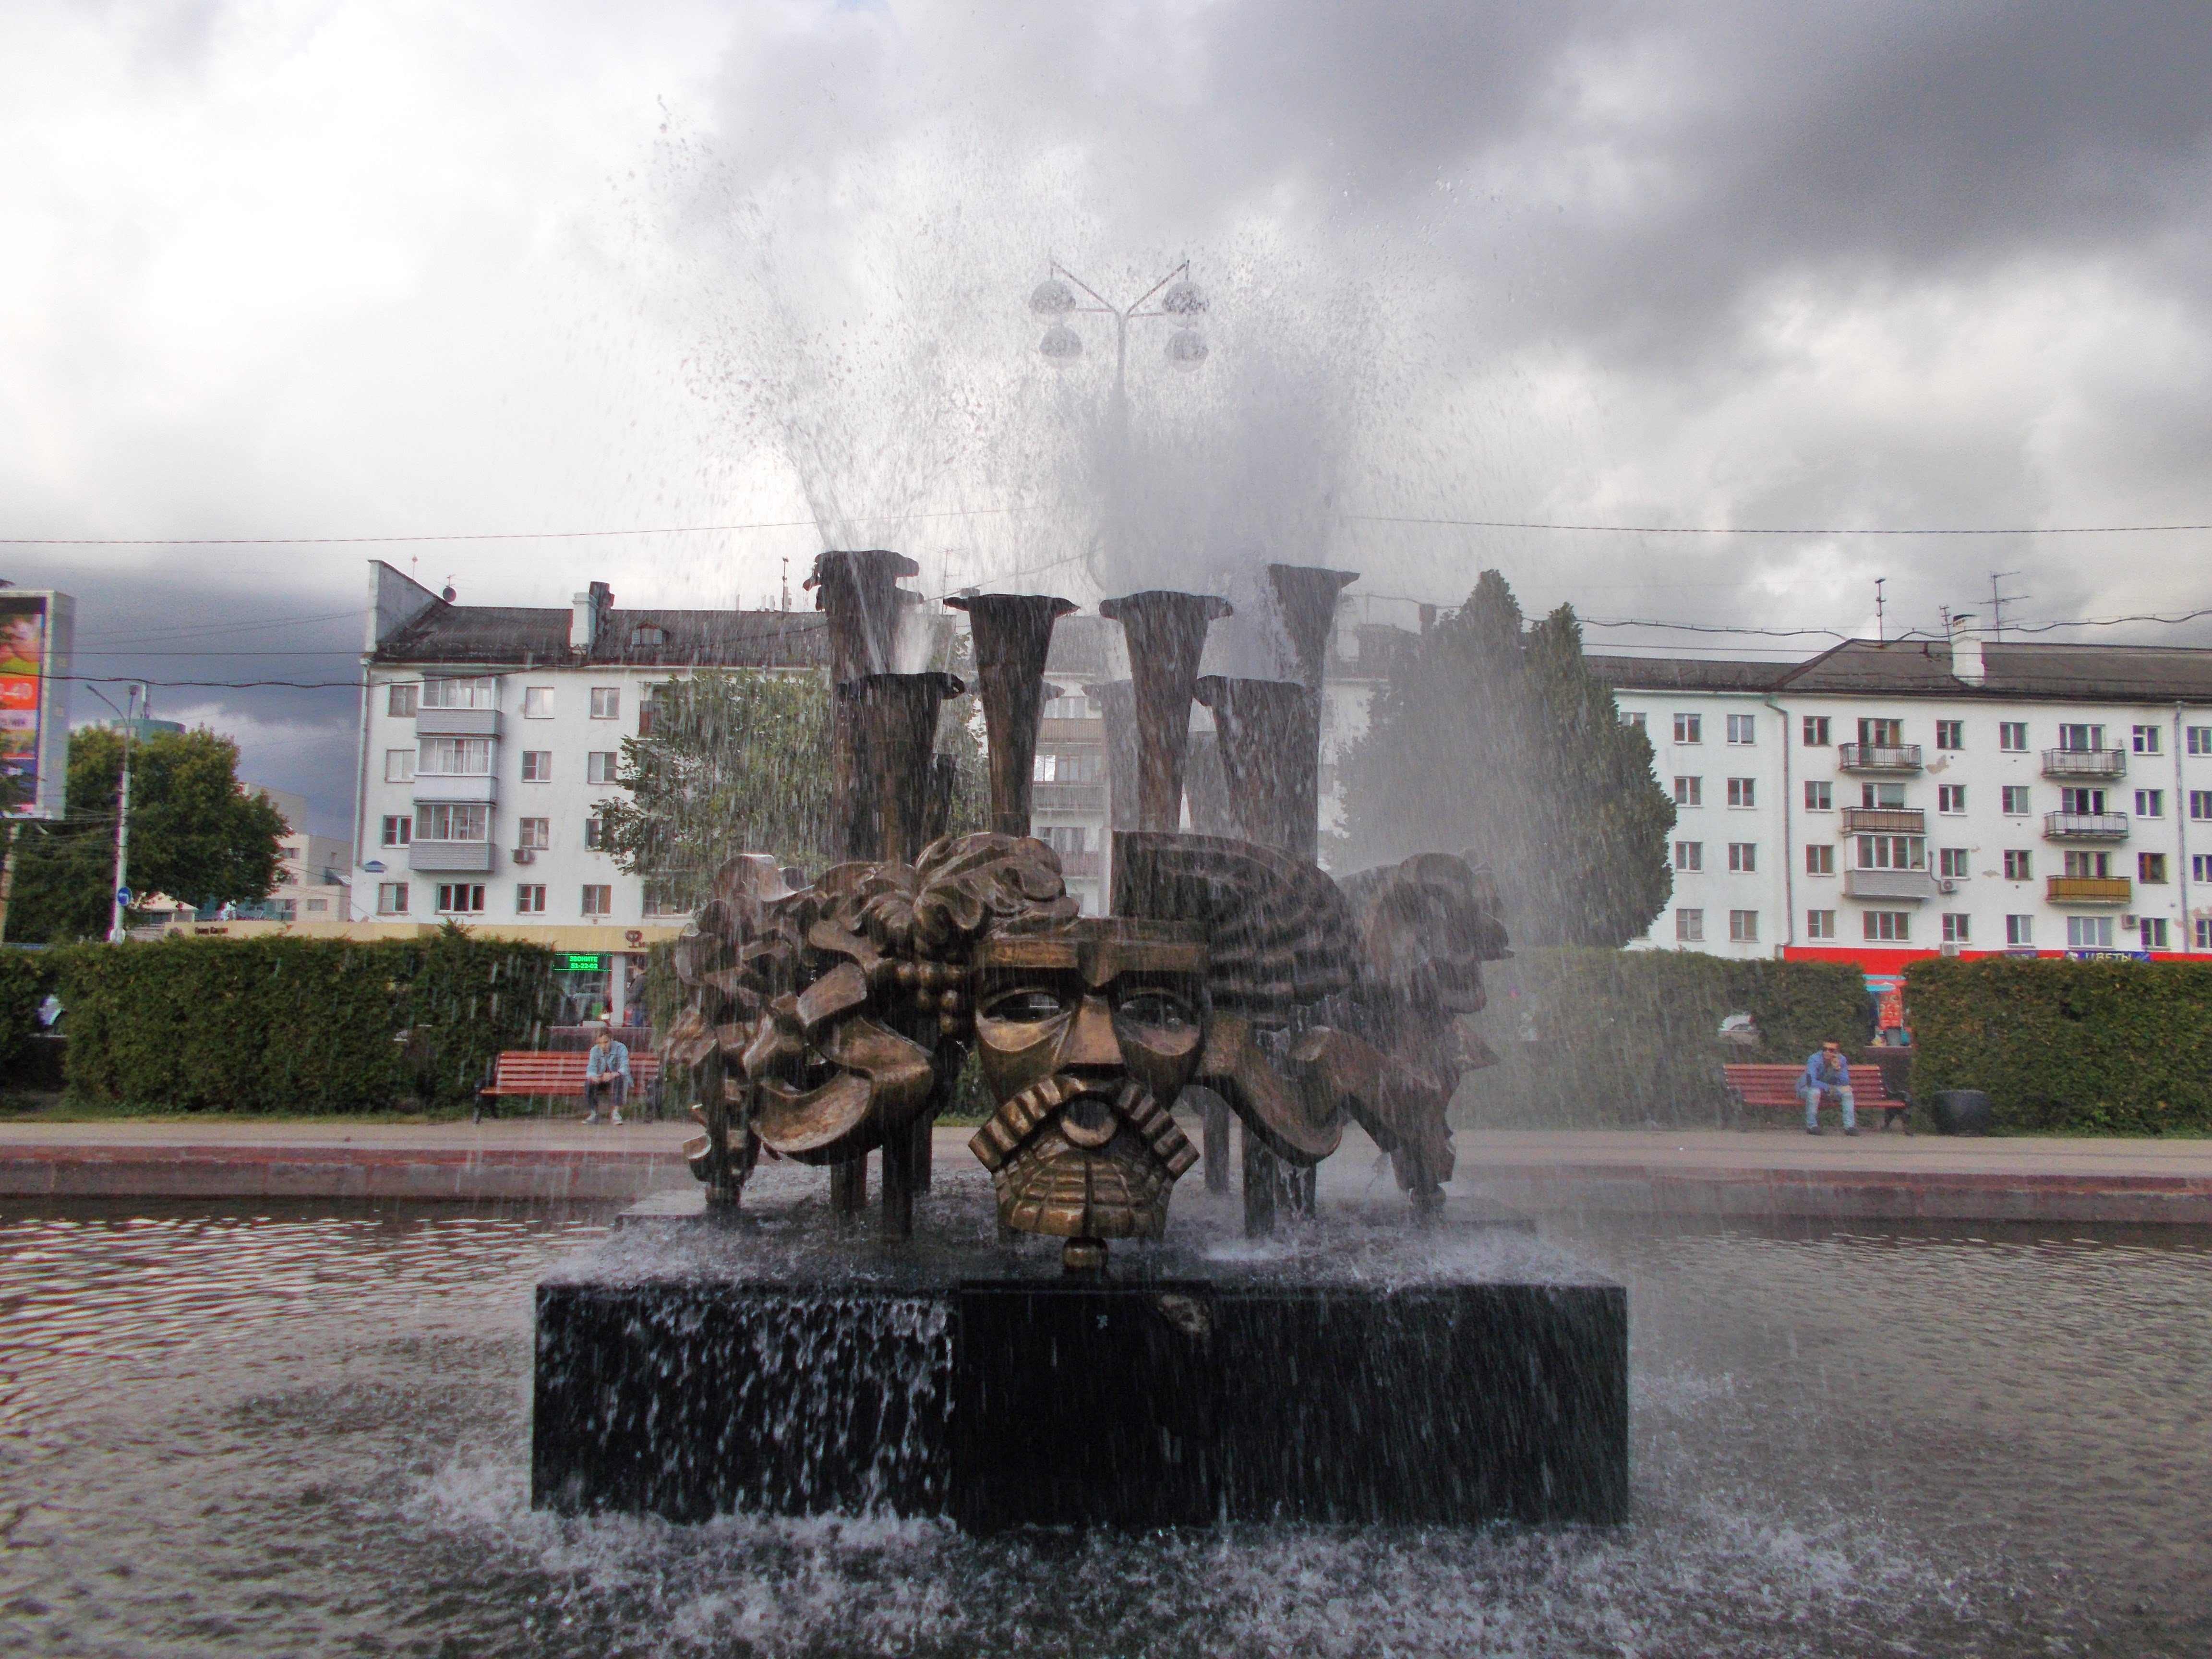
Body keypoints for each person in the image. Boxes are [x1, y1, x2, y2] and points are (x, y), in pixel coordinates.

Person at [1799, 1039, 1856, 1136]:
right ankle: (1812, 1126)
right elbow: (1811, 1082)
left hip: (1831, 1090)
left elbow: (1845, 1082)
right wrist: (1828, 1087)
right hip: (1807, 1089)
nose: (1827, 1052)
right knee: (1815, 1093)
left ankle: (1850, 1127)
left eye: (1831, 1050)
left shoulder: (1842, 1060)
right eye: (1824, 1049)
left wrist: (1837, 1069)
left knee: (1847, 1093)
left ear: (1837, 1052)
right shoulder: (1814, 1059)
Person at [581, 1026, 630, 1125]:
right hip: (601, 1080)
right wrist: (594, 1077)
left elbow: (625, 1067)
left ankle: (615, 1113)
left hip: (616, 1079)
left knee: (619, 1080)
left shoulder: (621, 1048)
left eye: (606, 1042)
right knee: (589, 1084)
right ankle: (594, 1113)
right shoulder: (595, 1050)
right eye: (600, 1043)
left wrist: (613, 1075)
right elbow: (591, 1068)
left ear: (612, 1039)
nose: (603, 1046)